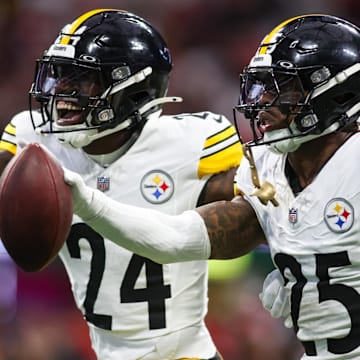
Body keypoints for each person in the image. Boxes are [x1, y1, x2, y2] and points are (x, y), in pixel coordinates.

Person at [43, 13, 360, 359]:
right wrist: (87, 201)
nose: (264, 102)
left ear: (339, 95)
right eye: (264, 85)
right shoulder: (271, 166)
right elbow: (177, 239)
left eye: (285, 88)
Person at [0, 8, 244, 360]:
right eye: (60, 75)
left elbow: (259, 216)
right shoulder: (32, 138)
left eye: (83, 80)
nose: (62, 91)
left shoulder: (193, 143)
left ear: (133, 91)